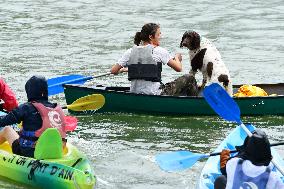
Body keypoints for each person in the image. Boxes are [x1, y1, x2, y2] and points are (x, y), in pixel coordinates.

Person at [0, 75, 66, 158]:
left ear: (29, 91)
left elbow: (3, 121)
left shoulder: (26, 107)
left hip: (29, 152)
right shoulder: (57, 108)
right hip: (58, 151)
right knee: (24, 128)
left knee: (7, 129)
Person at [110, 23, 182, 95]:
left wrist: (124, 69)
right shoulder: (160, 51)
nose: (160, 37)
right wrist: (177, 58)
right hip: (155, 93)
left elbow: (113, 71)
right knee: (189, 78)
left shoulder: (130, 51)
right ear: (151, 36)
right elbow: (179, 69)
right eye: (158, 34)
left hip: (135, 92)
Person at [214, 129, 284, 189]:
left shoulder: (233, 163)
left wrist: (226, 155)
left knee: (220, 180)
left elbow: (224, 169)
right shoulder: (274, 178)